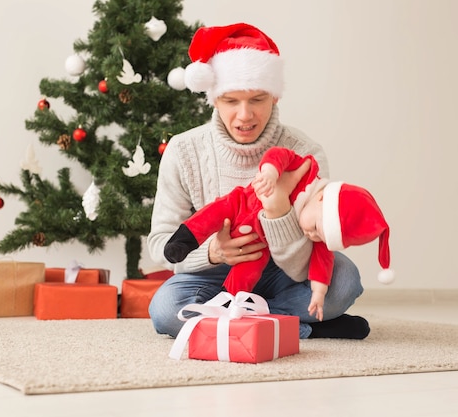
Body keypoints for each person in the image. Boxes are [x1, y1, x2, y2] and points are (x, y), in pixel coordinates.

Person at [147, 22, 369, 339]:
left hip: (286, 271)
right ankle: (298, 324)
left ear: (275, 97)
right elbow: (161, 244)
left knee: (345, 279)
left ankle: (241, 320)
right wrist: (214, 252)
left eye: (257, 99)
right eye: (231, 101)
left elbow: (311, 254)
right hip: (213, 275)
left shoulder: (304, 152)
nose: (245, 115)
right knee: (166, 309)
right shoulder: (184, 151)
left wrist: (278, 210)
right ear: (213, 99)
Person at [163, 146, 394, 322]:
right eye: (314, 227)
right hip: (239, 208)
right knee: (166, 309)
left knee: (342, 280)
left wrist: (318, 294)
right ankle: (304, 327)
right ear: (322, 199)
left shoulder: (319, 235)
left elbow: (321, 264)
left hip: (263, 251)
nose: (311, 235)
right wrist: (271, 174)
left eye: (319, 236)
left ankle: (232, 309)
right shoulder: (307, 171)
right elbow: (278, 154)